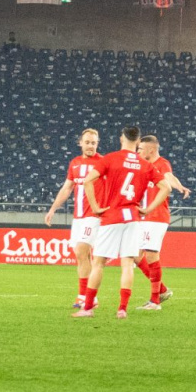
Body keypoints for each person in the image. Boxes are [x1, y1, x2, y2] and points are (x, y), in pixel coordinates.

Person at [79, 126, 152, 319]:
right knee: (127, 264)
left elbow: (87, 181)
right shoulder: (144, 164)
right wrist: (147, 209)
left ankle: (87, 308)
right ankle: (122, 310)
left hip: (112, 216)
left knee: (98, 263)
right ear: (138, 142)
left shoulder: (110, 158)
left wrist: (95, 207)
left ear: (121, 139)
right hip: (133, 218)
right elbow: (165, 187)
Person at [44, 128, 104, 312]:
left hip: (94, 216)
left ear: (97, 144)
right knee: (82, 256)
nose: (90, 146)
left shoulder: (103, 163)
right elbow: (67, 188)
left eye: (93, 143)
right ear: (80, 143)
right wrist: (53, 209)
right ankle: (88, 296)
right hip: (78, 217)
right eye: (87, 142)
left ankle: (85, 296)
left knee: (81, 251)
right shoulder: (75, 163)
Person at [133, 132, 190, 310]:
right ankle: (162, 290)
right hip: (144, 217)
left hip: (156, 216)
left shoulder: (161, 163)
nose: (138, 152)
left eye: (140, 149)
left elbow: (169, 177)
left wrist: (179, 187)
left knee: (151, 255)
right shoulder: (144, 165)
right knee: (135, 256)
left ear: (151, 149)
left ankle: (155, 301)